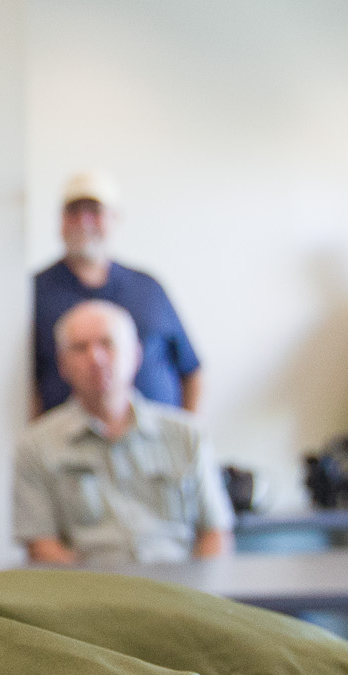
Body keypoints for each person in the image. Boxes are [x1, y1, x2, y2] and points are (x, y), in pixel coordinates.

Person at [14, 301, 232, 568]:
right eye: (80, 348)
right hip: (90, 597)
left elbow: (215, 534)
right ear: (62, 364)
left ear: (135, 354)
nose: (96, 358)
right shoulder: (36, 446)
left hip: (181, 592)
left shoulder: (187, 436)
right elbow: (41, 547)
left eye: (108, 344)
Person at [32, 170, 202, 415]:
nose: (84, 220)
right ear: (61, 220)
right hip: (70, 447)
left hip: (156, 442)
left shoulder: (148, 288)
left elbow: (191, 369)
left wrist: (184, 436)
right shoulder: (35, 293)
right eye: (74, 211)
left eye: (95, 211)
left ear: (115, 218)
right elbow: (28, 382)